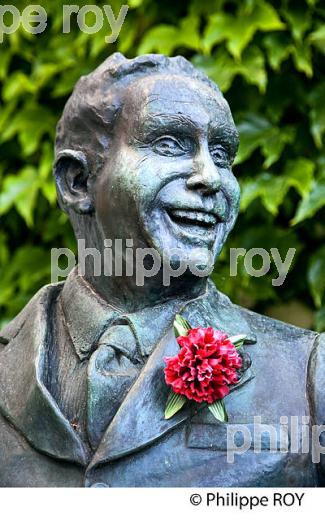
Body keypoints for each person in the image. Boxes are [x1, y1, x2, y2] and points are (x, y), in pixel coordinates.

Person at [0, 53, 324, 487]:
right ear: (77, 182)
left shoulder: (309, 377)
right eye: (170, 144)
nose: (211, 177)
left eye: (223, 154)